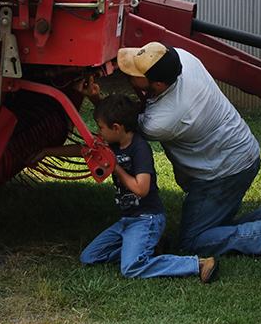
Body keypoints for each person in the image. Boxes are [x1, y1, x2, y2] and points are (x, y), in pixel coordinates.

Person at [80, 43, 261, 270]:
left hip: (222, 173)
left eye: (133, 73)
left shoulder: (163, 119)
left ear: (157, 85)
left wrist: (95, 99)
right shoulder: (183, 59)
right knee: (215, 226)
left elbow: (121, 129)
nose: (126, 74)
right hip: (241, 150)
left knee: (194, 241)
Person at [77, 93, 219, 283]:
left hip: (146, 218)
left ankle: (198, 264)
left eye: (101, 127)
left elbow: (141, 189)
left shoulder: (139, 148)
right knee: (89, 257)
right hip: (128, 220)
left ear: (117, 127)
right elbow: (84, 149)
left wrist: (115, 167)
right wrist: (44, 152)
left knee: (131, 268)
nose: (98, 132)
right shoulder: (113, 143)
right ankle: (145, 247)